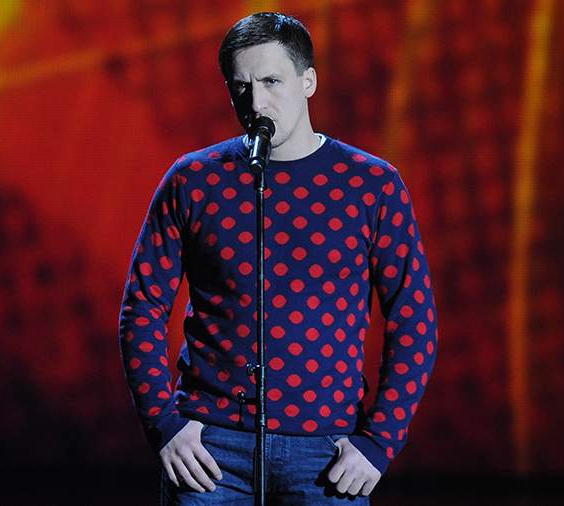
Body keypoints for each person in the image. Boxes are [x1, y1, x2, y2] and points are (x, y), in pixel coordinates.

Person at [117, 12, 439, 505]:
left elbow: (413, 318)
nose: (256, 102)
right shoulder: (193, 180)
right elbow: (142, 306)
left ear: (308, 81)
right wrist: (164, 423)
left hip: (326, 454)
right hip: (209, 450)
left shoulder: (372, 184)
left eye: (271, 81)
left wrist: (379, 442)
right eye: (241, 86)